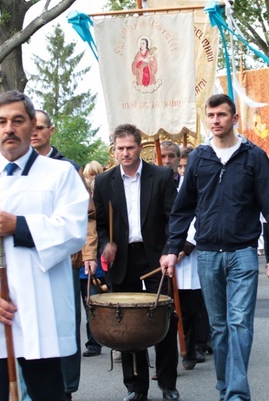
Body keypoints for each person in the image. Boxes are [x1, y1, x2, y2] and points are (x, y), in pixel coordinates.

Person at [0, 90, 88, 401]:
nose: (9, 128)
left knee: (48, 394)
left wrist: (18, 226)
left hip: (42, 307)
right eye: (1, 121)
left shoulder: (60, 173)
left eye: (18, 120)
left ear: (32, 125)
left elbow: (74, 229)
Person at [160, 93, 269, 401]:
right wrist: (172, 248)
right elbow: (183, 208)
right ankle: (225, 387)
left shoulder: (253, 156)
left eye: (221, 115)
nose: (215, 120)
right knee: (219, 328)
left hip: (243, 253)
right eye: (211, 115)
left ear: (234, 118)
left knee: (240, 324)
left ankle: (236, 395)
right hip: (207, 255)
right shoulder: (200, 158)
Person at [93, 124, 180, 401]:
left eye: (130, 148)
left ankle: (168, 383)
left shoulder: (162, 176)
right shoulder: (105, 182)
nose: (125, 153)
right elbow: (100, 225)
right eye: (120, 148)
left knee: (163, 315)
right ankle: (135, 387)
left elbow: (173, 220)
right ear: (114, 149)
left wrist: (170, 251)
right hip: (123, 259)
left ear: (139, 148)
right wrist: (105, 246)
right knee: (126, 326)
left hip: (155, 256)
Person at [30, 109, 91, 399]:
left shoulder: (67, 168)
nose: (34, 132)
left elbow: (87, 215)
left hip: (63, 258)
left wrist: (86, 252)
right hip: (27, 258)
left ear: (50, 131)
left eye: (40, 127)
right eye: (31, 126)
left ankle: (66, 386)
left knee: (65, 322)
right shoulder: (17, 167)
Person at [166, 145, 211, 371]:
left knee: (193, 306)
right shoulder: (164, 183)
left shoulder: (199, 183)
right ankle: (174, 354)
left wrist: (185, 246)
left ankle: (195, 347)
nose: (182, 169)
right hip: (169, 255)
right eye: (180, 165)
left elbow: (197, 216)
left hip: (190, 253)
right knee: (171, 309)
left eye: (185, 164)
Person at [81, 160, 105, 358]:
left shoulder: (101, 199)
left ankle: (98, 339)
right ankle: (93, 341)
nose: (93, 179)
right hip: (79, 262)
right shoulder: (83, 199)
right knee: (87, 302)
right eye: (90, 175)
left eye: (96, 174)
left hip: (97, 260)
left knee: (95, 301)